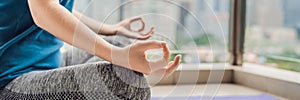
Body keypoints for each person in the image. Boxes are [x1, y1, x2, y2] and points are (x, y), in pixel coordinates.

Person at [0, 0, 181, 99]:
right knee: (124, 82)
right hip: (11, 79)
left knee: (120, 43)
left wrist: (111, 29)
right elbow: (44, 10)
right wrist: (118, 57)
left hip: (50, 62)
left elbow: (58, 7)